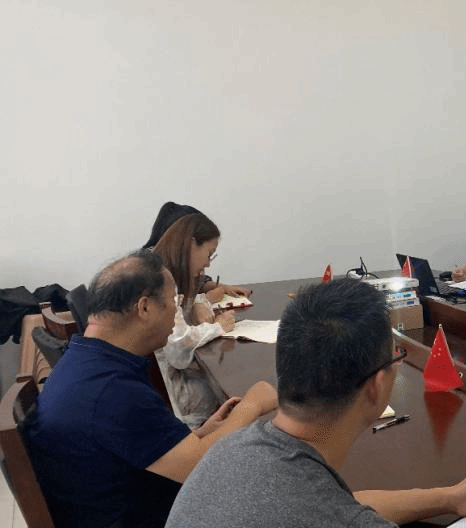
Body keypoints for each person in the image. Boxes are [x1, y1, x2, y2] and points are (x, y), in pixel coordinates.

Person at [165, 278, 466, 528]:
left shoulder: (232, 450)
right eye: (395, 358)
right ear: (376, 386)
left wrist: (450, 497)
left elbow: (341, 504)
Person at [25, 250, 277, 528]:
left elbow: (132, 440)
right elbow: (199, 468)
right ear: (144, 308)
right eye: (172, 302)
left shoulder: (85, 359)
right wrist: (254, 404)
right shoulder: (113, 390)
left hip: (121, 497)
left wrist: (202, 433)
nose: (175, 314)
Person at [152, 211, 239, 427]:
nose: (208, 264)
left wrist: (200, 301)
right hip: (173, 391)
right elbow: (178, 347)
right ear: (191, 244)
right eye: (209, 254)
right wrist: (218, 327)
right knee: (229, 393)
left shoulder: (160, 270)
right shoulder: (162, 281)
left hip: (166, 379)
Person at [144, 201, 250, 300]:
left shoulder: (173, 263)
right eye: (209, 254)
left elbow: (197, 283)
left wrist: (224, 288)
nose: (208, 264)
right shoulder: (149, 272)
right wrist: (205, 301)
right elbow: (169, 310)